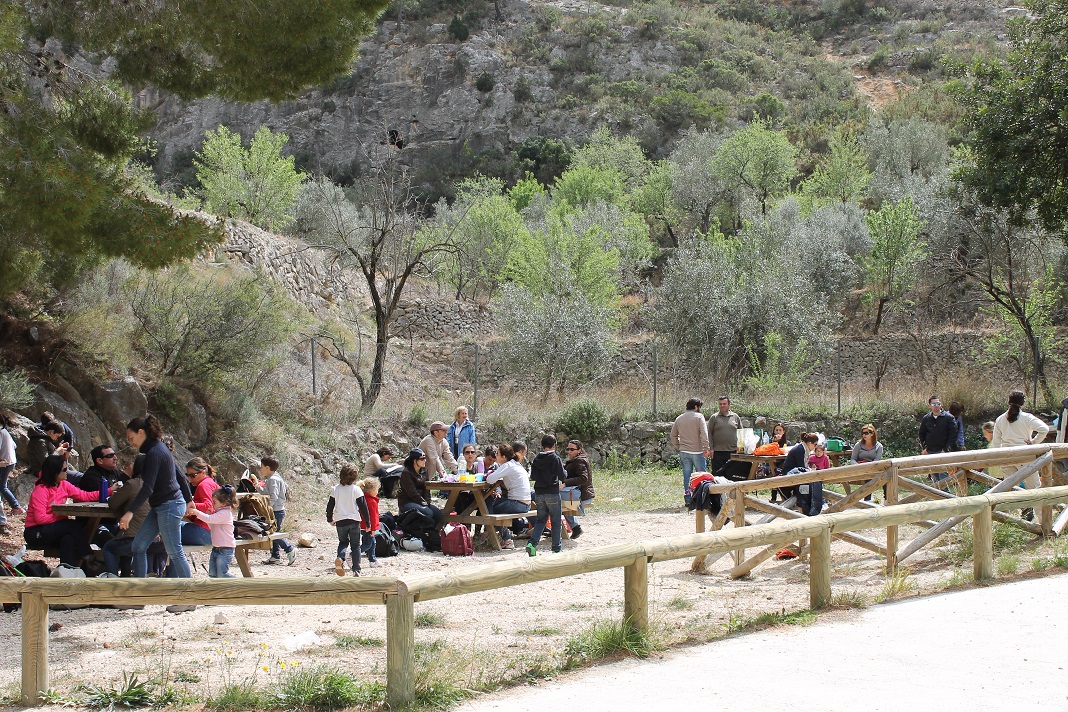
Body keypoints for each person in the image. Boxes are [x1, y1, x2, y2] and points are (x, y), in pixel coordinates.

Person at [121, 416, 193, 587]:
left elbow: (147, 488)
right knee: (138, 546)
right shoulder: (159, 448)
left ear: (141, 432)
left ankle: (190, 596)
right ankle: (140, 593)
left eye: (131, 438)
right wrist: (189, 500)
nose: (130, 443)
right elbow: (181, 476)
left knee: (175, 552)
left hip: (169, 506)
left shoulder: (155, 452)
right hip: (161, 506)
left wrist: (129, 512)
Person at [23, 454, 105, 566]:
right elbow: (40, 518)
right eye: (65, 469)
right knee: (72, 525)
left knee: (69, 539)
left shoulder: (64, 485)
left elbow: (84, 496)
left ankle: (67, 572)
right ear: (54, 472)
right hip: (35, 531)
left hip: (53, 528)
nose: (67, 472)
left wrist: (109, 491)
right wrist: (60, 517)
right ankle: (89, 557)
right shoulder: (41, 490)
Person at [991, 390, 1050, 491]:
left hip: (1006, 456)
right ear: (1023, 403)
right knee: (1034, 489)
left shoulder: (1000, 419)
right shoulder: (1027, 418)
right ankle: (1036, 507)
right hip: (1025, 455)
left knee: (1010, 490)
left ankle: (1013, 507)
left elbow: (996, 442)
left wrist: (999, 457)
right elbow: (1044, 429)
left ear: (1009, 401)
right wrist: (1033, 442)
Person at [102, 455, 149, 577]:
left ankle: (114, 583)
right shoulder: (161, 485)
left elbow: (113, 503)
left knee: (109, 547)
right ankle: (126, 576)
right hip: (159, 539)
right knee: (122, 534)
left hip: (136, 539)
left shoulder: (133, 484)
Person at [326, 462, 371, 576]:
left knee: (343, 542)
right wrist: (368, 522)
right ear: (355, 477)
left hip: (340, 521)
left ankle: (340, 559)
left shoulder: (335, 489)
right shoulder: (356, 490)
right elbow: (363, 507)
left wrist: (329, 519)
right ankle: (356, 569)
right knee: (355, 545)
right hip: (354, 521)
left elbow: (330, 506)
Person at [486, 442, 531, 550]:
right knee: (493, 504)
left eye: (497, 454)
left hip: (518, 504)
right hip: (526, 503)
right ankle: (493, 534)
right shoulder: (515, 464)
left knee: (489, 505)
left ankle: (505, 539)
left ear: (504, 457)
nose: (496, 456)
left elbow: (489, 479)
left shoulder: (507, 465)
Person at [187, 485, 239, 578]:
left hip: (225, 549)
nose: (212, 505)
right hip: (216, 548)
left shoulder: (225, 513)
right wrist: (207, 516)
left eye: (214, 502)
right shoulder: (220, 513)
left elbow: (210, 519)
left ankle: (239, 583)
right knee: (213, 574)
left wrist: (196, 512)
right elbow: (211, 524)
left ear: (223, 503)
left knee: (222, 574)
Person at [526, 434, 564, 556]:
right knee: (556, 521)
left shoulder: (537, 459)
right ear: (554, 445)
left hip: (539, 493)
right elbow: (563, 475)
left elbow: (533, 476)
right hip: (552, 492)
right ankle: (556, 548)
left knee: (541, 520)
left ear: (542, 446)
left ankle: (532, 543)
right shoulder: (555, 458)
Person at [670, 398, 709, 507]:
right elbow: (704, 434)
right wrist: (706, 448)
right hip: (697, 452)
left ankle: (688, 499)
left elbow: (673, 436)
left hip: (684, 451)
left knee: (687, 476)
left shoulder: (679, 418)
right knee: (701, 476)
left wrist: (679, 446)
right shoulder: (699, 417)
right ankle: (701, 498)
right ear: (696, 407)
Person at [262, 456, 297, 566]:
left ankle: (289, 549)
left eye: (261, 467)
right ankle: (275, 556)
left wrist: (268, 508)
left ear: (267, 468)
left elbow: (273, 496)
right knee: (274, 533)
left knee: (273, 533)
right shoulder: (272, 478)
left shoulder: (273, 479)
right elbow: (265, 493)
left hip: (276, 511)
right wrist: (257, 486)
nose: (260, 469)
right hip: (276, 510)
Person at [919, 395, 959, 489]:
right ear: (929, 406)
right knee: (934, 477)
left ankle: (946, 498)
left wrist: (945, 449)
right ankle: (938, 497)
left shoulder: (949, 418)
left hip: (943, 452)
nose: (936, 405)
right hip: (930, 451)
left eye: (938, 403)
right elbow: (922, 434)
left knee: (943, 477)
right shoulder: (926, 418)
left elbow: (953, 435)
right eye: (934, 404)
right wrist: (925, 448)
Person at [397, 448, 442, 525]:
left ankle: (431, 533)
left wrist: (427, 501)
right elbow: (412, 492)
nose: (425, 460)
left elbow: (426, 488)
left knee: (438, 514)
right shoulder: (406, 473)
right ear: (415, 461)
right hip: (407, 502)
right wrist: (422, 502)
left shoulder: (424, 471)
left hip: (421, 501)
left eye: (425, 458)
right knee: (428, 513)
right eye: (422, 459)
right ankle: (417, 532)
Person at [181, 458, 219, 547]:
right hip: (215, 533)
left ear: (203, 472)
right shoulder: (211, 482)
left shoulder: (203, 485)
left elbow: (208, 506)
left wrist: (189, 506)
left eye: (193, 475)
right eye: (188, 475)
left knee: (167, 529)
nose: (190, 479)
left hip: (204, 532)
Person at [560, 440, 594, 539]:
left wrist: (566, 483)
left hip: (581, 495)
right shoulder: (577, 460)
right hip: (576, 493)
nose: (569, 451)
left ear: (579, 450)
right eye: (568, 449)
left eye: (572, 449)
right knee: (559, 502)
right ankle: (575, 528)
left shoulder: (580, 461)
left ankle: (571, 528)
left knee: (556, 502)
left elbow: (583, 478)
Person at [782, 433, 820, 514]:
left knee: (812, 481)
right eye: (815, 444)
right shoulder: (800, 450)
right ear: (809, 443)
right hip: (789, 473)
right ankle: (803, 506)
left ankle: (809, 506)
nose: (815, 447)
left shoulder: (804, 449)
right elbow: (801, 467)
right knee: (806, 482)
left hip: (796, 472)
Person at [0, 413, 24, 531]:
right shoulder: (4, 431)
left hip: (4, 463)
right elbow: (14, 445)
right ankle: (15, 507)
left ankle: (16, 507)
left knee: (2, 487)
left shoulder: (0, 432)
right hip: (10, 461)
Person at [707, 396, 741, 477]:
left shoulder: (735, 417)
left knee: (731, 474)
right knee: (718, 475)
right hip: (717, 452)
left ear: (729, 405)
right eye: (720, 404)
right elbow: (709, 433)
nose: (722, 406)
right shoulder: (714, 417)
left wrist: (740, 446)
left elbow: (741, 432)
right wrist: (711, 449)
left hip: (732, 451)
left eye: (724, 404)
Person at [359, 476, 382, 567]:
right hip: (368, 527)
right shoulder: (371, 501)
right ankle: (353, 554)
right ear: (372, 490)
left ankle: (372, 560)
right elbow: (373, 516)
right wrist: (373, 528)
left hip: (363, 526)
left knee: (372, 543)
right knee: (368, 544)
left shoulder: (363, 499)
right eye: (376, 489)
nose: (377, 492)